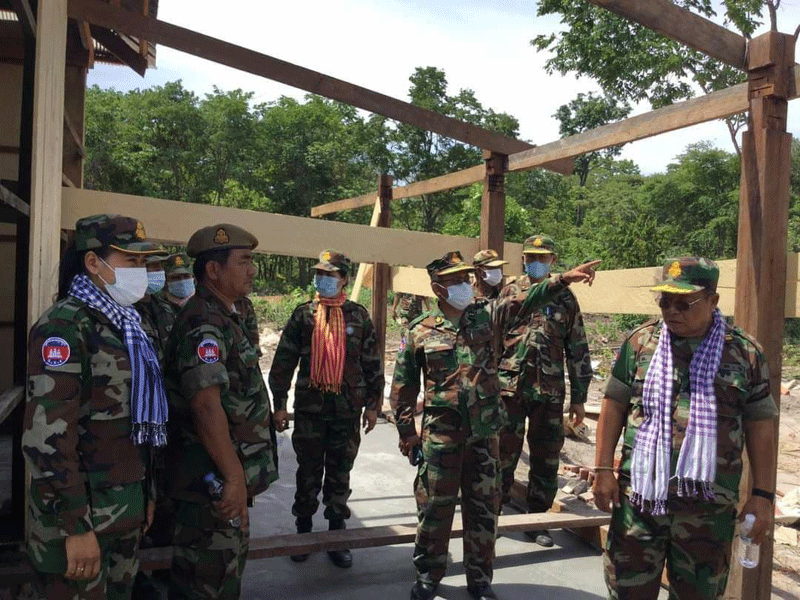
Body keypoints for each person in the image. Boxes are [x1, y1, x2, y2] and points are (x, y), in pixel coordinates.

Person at [391, 250, 600, 600]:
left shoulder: (488, 316)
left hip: (485, 437)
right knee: (434, 510)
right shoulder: (420, 331)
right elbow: (404, 386)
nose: (465, 285)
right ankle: (428, 575)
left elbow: (528, 298)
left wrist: (563, 279)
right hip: (440, 438)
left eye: (466, 278)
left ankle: (479, 580)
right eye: (455, 281)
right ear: (438, 289)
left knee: (483, 511)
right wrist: (406, 433)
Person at [593, 257, 778, 600]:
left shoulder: (744, 353)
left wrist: (763, 496)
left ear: (713, 300)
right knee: (628, 591)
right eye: (664, 302)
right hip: (640, 502)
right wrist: (603, 470)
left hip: (708, 511)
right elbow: (614, 404)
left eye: (683, 303)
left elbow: (761, 425)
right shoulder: (641, 343)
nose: (671, 311)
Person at [22, 214, 167, 600]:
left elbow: (139, 422)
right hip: (79, 524)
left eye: (143, 262)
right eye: (131, 260)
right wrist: (76, 527)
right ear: (93, 262)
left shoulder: (130, 325)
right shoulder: (65, 328)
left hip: (124, 512)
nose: (141, 271)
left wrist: (145, 494)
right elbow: (46, 440)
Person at [164, 224, 278, 600]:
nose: (252, 270)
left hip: (219, 478)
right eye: (243, 262)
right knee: (209, 581)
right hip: (209, 482)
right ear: (213, 270)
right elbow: (205, 405)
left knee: (223, 573)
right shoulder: (204, 324)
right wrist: (233, 477)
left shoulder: (225, 316)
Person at [269, 250, 384, 568]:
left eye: (330, 275)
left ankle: (336, 536)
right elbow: (283, 363)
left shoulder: (358, 316)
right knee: (307, 473)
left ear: (344, 279)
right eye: (319, 274)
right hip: (310, 410)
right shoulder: (304, 315)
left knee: (339, 474)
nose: (322, 279)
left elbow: (372, 363)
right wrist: (279, 405)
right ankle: (303, 533)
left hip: (347, 411)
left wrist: (373, 406)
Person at [496, 235, 592, 546]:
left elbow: (577, 348)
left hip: (548, 391)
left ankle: (537, 520)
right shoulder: (510, 291)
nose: (536, 262)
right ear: (523, 259)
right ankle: (492, 515)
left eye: (543, 257)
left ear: (553, 260)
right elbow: (492, 338)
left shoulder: (566, 299)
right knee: (502, 452)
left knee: (546, 457)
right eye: (531, 257)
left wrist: (579, 397)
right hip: (509, 388)